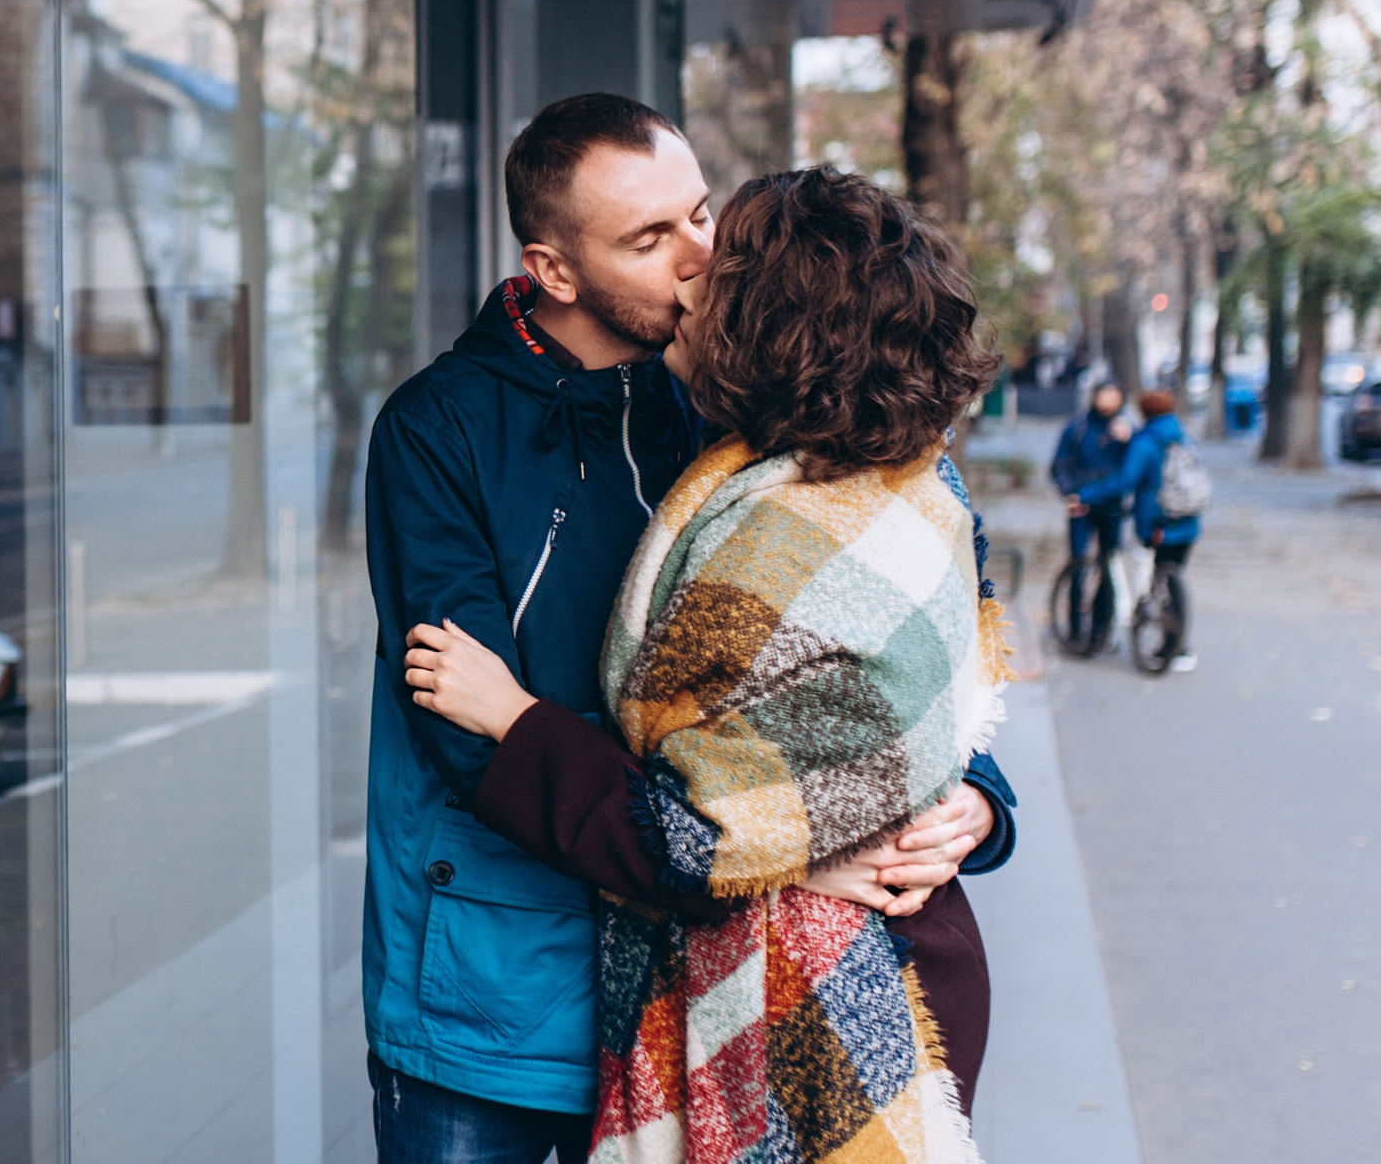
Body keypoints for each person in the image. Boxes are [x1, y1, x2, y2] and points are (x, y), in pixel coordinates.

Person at [360, 96, 1014, 1164]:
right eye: (649, 237)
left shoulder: (741, 385)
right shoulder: (440, 430)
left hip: (693, 994)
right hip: (498, 992)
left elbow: (900, 641)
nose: (701, 257)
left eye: (701, 212)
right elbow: (464, 723)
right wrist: (775, 847)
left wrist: (974, 798)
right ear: (554, 269)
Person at [1073, 387, 1205, 654]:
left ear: (1144, 412)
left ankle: (1165, 644)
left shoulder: (1145, 443)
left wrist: (1086, 495)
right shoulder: (1182, 436)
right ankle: (1175, 648)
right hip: (1187, 521)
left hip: (1157, 522)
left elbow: (1125, 482)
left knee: (1155, 578)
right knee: (1170, 580)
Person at [1053, 381, 1133, 637]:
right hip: (1081, 506)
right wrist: (1069, 493)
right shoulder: (1077, 427)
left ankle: (1101, 627)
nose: (1108, 401)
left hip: (1112, 506)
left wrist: (1129, 440)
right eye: (1104, 395)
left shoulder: (1126, 429)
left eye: (1114, 396)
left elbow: (1133, 469)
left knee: (1107, 566)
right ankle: (1075, 627)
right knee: (1079, 563)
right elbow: (1059, 465)